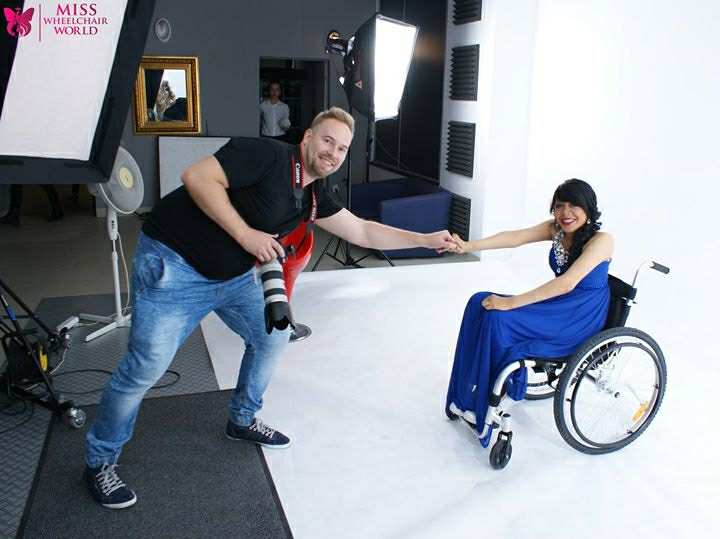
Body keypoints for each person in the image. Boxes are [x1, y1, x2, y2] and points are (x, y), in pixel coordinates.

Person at [83, 106, 455, 509]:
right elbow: (197, 177)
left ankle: (241, 419)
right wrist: (245, 235)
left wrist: (426, 237)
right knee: (145, 367)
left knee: (274, 335)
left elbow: (363, 230)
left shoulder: (313, 195)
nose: (333, 152)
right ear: (308, 137)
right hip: (175, 267)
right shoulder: (266, 155)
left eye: (342, 148)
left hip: (233, 276)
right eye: (327, 140)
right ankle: (99, 461)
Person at [445, 179, 613, 437]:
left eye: (574, 206)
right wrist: (469, 246)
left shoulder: (602, 241)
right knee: (479, 302)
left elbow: (567, 283)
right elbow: (514, 238)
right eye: (559, 206)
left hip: (578, 317)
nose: (566, 213)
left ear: (589, 209)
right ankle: (468, 393)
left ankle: (493, 397)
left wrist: (511, 302)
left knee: (499, 318)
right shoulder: (557, 230)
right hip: (558, 307)